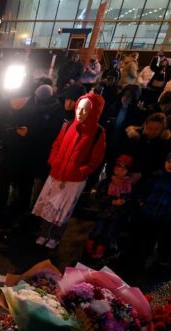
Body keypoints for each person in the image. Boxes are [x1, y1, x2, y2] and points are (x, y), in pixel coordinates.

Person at [32, 93, 106, 249]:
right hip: (57, 173)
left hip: (75, 179)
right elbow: (56, 145)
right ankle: (43, 233)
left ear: (93, 112)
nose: (80, 112)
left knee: (64, 209)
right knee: (49, 206)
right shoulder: (67, 126)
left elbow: (96, 159)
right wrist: (54, 161)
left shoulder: (98, 132)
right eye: (79, 108)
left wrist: (81, 171)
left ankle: (55, 236)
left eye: (85, 110)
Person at [123, 149, 171, 270]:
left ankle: (139, 263)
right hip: (145, 212)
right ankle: (126, 258)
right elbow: (144, 189)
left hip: (161, 216)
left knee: (149, 241)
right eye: (169, 161)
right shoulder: (157, 175)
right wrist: (141, 201)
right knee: (135, 236)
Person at [85, 154, 136, 260]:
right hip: (104, 212)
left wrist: (124, 201)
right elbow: (99, 196)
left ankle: (100, 251)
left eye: (124, 168)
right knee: (97, 231)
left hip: (116, 216)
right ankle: (89, 248)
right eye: (118, 167)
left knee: (108, 234)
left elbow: (130, 198)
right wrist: (111, 201)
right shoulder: (107, 182)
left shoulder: (128, 185)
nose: (120, 170)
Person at [119, 112, 171, 179]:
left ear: (162, 130)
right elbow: (119, 155)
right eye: (150, 128)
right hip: (122, 176)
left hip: (144, 181)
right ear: (145, 126)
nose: (152, 132)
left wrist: (142, 175)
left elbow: (160, 168)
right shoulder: (134, 137)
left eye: (156, 130)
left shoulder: (164, 145)